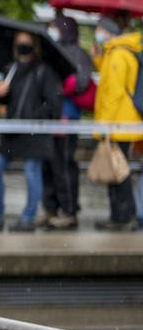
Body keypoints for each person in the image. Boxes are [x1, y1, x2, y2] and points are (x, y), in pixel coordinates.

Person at [0, 31, 62, 232]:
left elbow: (53, 104)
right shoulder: (10, 69)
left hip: (34, 134)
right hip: (12, 133)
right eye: (19, 42)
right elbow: (7, 101)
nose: (22, 45)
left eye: (27, 42)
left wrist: (33, 118)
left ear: (34, 45)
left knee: (32, 172)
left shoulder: (44, 71)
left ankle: (28, 217)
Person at [40, 15, 95, 230]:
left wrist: (64, 88)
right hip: (53, 116)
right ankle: (51, 207)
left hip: (67, 116)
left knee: (63, 163)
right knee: (50, 163)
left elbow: (81, 82)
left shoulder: (77, 54)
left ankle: (68, 210)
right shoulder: (53, 51)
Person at [91, 16, 141, 231]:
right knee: (116, 170)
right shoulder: (119, 52)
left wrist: (105, 127)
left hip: (117, 123)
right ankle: (119, 216)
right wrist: (98, 59)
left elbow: (113, 92)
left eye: (99, 30)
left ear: (107, 31)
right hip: (123, 121)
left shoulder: (118, 54)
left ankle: (124, 217)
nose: (97, 33)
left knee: (118, 172)